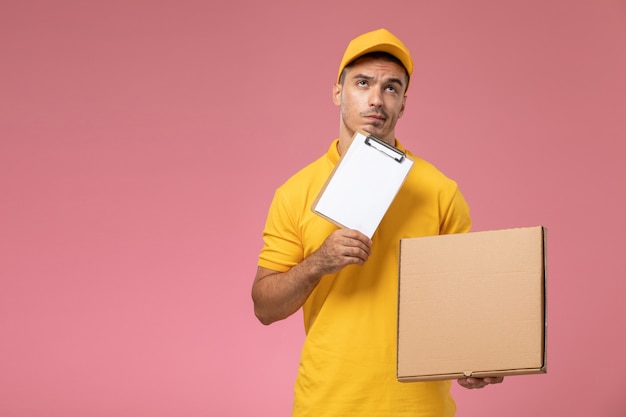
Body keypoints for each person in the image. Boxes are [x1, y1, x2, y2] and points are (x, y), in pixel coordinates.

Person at [251, 28, 503, 417]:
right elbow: (265, 307)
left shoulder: (439, 191)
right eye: (362, 83)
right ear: (338, 92)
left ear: (403, 104)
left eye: (391, 88)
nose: (376, 99)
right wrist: (320, 261)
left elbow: (463, 304)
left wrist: (475, 357)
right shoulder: (295, 192)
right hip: (328, 403)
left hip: (419, 406)